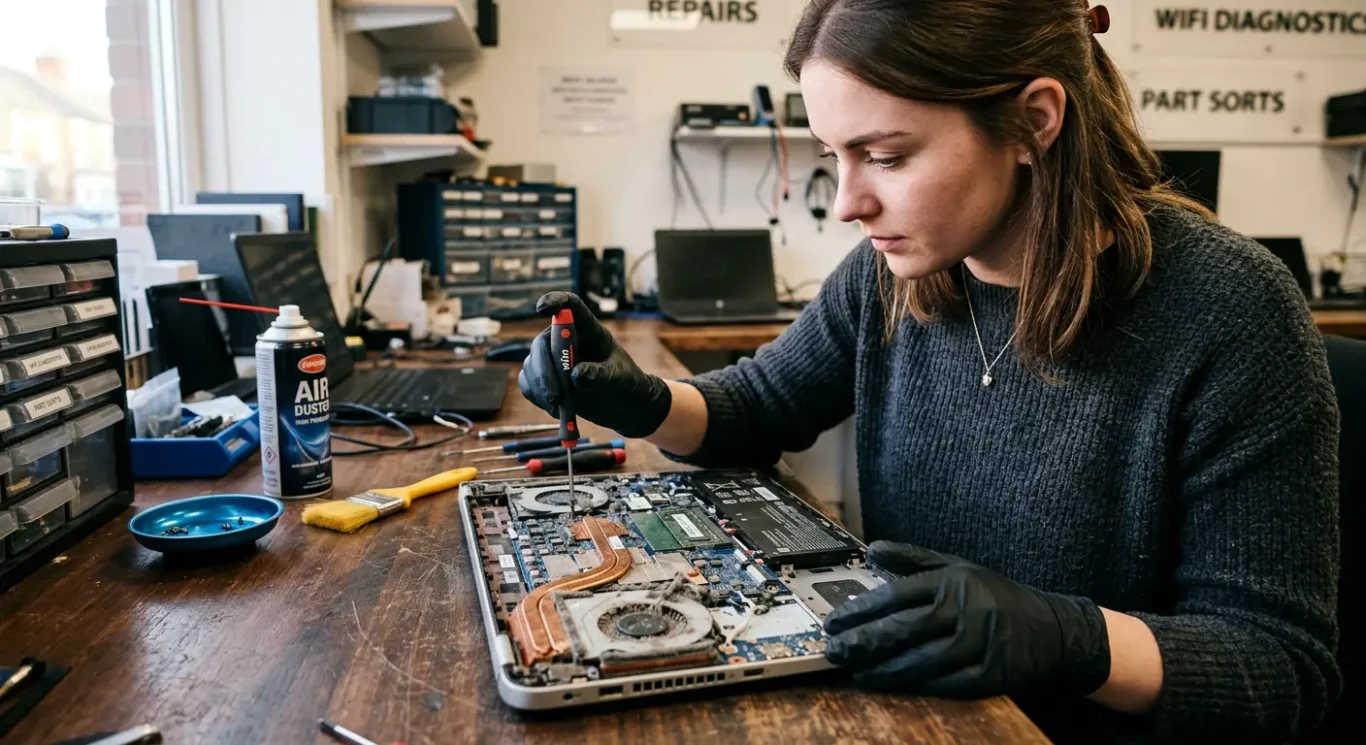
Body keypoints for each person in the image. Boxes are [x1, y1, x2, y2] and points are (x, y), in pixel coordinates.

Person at [519, 0, 1341, 742]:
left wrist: (1072, 637)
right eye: (833, 156)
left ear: (1033, 121)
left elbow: (1277, 667)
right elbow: (760, 406)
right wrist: (639, 397)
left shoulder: (1228, 309)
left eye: (884, 155)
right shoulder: (890, 276)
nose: (847, 202)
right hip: (910, 715)